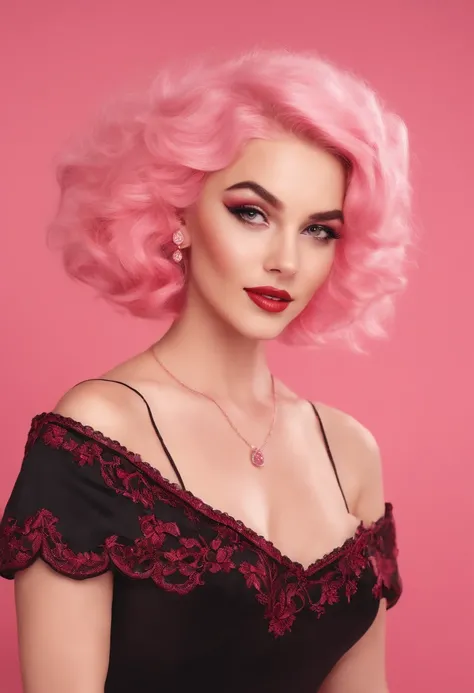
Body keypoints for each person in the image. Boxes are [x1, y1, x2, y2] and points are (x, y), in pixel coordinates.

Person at [0, 48, 411, 692]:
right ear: (177, 215)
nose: (285, 260)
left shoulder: (349, 451)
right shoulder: (96, 432)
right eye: (252, 213)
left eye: (319, 230)